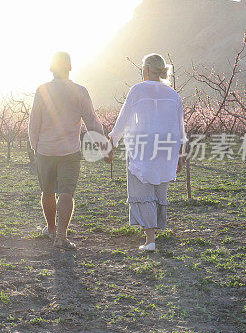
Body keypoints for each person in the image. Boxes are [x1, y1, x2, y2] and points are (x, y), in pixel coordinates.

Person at [108, 53, 186, 252]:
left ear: (147, 70)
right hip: (167, 147)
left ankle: (150, 239)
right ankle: (153, 235)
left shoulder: (138, 90)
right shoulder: (173, 94)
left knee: (143, 190)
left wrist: (113, 140)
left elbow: (124, 118)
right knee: (159, 189)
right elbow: (180, 127)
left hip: (142, 146)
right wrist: (180, 154)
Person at [29, 52, 104, 250]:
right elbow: (92, 120)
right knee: (66, 193)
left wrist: (34, 145)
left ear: (51, 68)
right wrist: (102, 144)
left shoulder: (42, 90)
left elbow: (34, 121)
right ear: (70, 67)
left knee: (47, 192)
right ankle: (61, 237)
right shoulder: (80, 91)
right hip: (69, 151)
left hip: (45, 149)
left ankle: (51, 229)